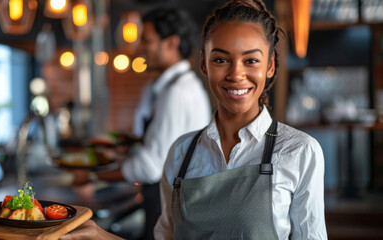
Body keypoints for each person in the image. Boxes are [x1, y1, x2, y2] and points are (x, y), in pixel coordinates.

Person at [62, 0, 327, 239]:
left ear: (269, 66)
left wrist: (94, 176)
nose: (236, 74)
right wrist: (102, 237)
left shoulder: (300, 151)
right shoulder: (180, 153)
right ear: (204, 63)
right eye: (221, 59)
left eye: (251, 61)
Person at [70, 7, 211, 240]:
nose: (140, 48)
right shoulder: (175, 87)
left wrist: (93, 176)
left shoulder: (177, 93)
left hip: (171, 208)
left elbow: (150, 166)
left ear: (171, 43)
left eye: (146, 40)